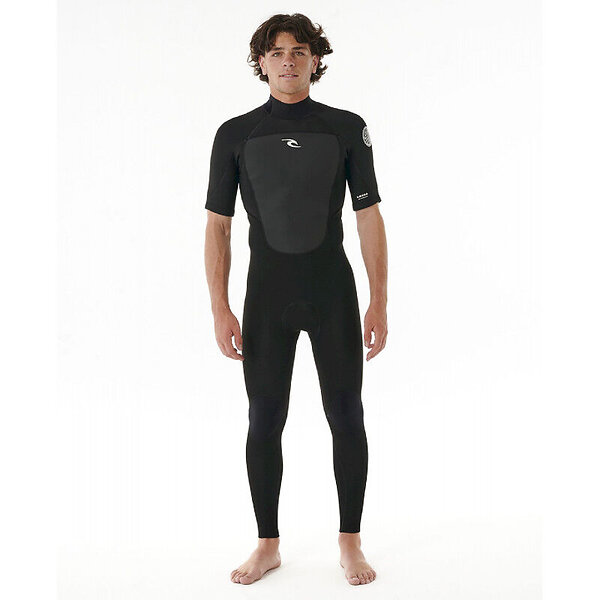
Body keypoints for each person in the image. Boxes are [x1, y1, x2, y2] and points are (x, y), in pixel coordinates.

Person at [204, 13, 388, 586]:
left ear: (315, 60)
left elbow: (368, 216)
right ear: (261, 62)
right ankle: (267, 544)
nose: (288, 60)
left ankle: (350, 542)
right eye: (277, 52)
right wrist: (220, 308)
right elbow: (218, 226)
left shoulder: (346, 127)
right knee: (264, 418)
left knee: (347, 414)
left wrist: (379, 300)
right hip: (267, 297)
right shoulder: (235, 134)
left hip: (331, 292)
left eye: (299, 51)